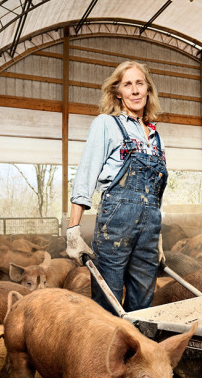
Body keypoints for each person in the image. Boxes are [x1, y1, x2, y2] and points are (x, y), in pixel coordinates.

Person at [66, 60, 167, 314]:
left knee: (143, 307)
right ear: (118, 92)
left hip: (149, 230)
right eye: (127, 84)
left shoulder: (156, 137)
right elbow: (86, 176)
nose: (135, 90)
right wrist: (73, 230)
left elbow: (157, 192)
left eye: (139, 83)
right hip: (115, 225)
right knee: (107, 304)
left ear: (148, 90)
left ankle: (138, 351)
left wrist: (159, 238)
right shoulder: (106, 124)